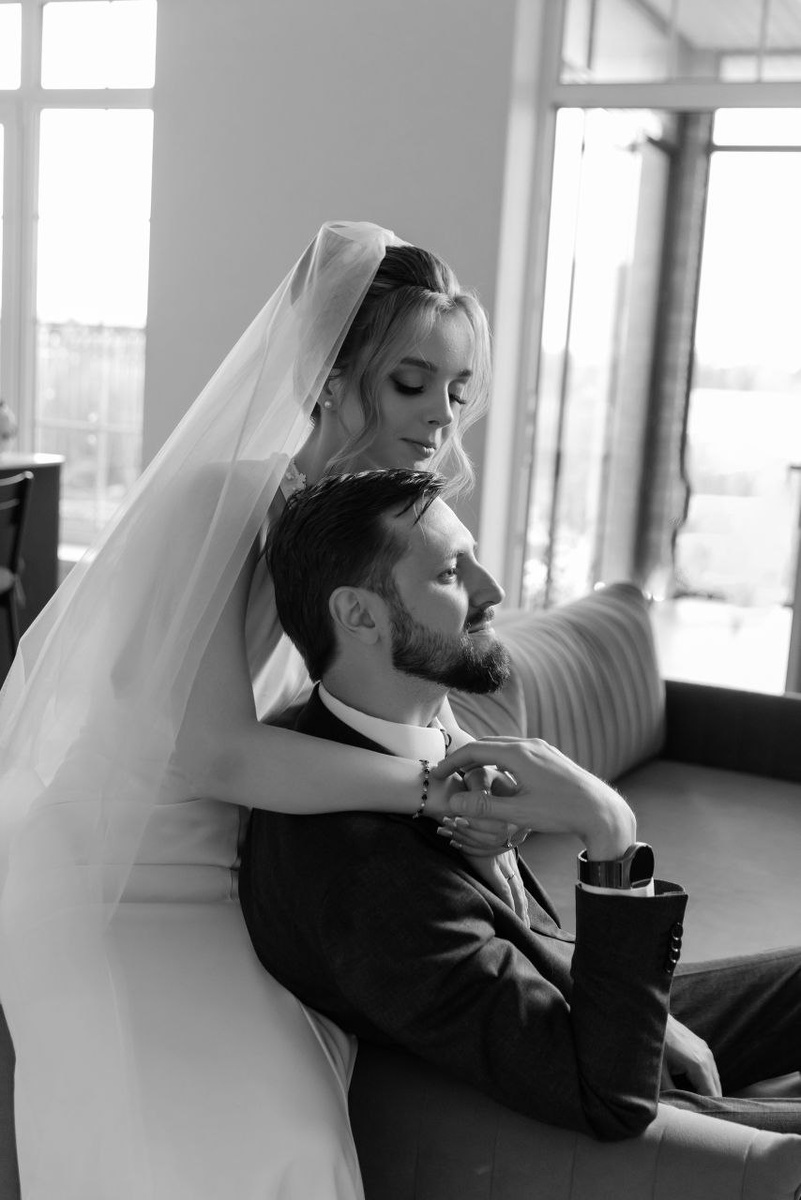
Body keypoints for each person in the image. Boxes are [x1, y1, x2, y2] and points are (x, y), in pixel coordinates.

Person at [0, 221, 563, 1199]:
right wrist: (442, 788)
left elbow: (392, 696)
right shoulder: (217, 499)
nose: (440, 416)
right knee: (214, 1154)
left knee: (301, 1138)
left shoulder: (356, 529)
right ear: (331, 375)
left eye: (456, 390)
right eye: (410, 382)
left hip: (233, 876)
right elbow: (218, 754)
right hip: (107, 879)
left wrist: (484, 784)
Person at [241, 467, 801, 1141]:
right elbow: (609, 1098)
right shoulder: (364, 876)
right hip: (589, 1091)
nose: (494, 591)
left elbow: (525, 942)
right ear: (359, 615)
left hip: (584, 1000)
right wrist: (609, 830)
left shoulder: (400, 735)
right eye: (451, 573)